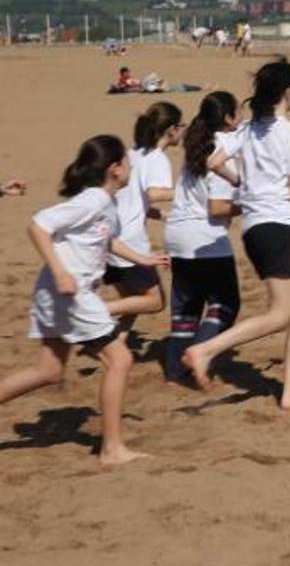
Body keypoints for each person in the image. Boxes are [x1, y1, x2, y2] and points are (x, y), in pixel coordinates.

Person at [0, 135, 167, 465]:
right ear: (115, 169)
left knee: (49, 371)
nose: (131, 168)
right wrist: (61, 271)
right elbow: (38, 226)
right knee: (120, 360)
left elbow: (106, 240)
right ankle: (112, 449)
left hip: (59, 294)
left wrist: (142, 259)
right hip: (70, 294)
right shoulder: (92, 200)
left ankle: (113, 447)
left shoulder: (106, 203)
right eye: (127, 163)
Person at [183, 57, 290, 409]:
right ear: (286, 93)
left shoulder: (247, 130)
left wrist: (244, 184)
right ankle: (204, 349)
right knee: (280, 314)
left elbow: (212, 161)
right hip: (278, 226)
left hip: (253, 228)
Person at [162, 92, 243, 383]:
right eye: (239, 112)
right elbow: (218, 207)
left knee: (188, 306)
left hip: (178, 235)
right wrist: (248, 204)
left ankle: (175, 368)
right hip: (204, 238)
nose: (242, 117)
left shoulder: (196, 141)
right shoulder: (221, 147)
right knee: (226, 303)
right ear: (228, 119)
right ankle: (200, 351)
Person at [104, 102, 182, 323]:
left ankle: (115, 346)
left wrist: (161, 215)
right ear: (172, 129)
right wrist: (185, 193)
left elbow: (135, 199)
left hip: (111, 239)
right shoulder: (157, 158)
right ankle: (94, 312)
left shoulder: (133, 153)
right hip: (130, 243)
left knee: (133, 302)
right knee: (155, 301)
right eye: (182, 125)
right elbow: (154, 193)